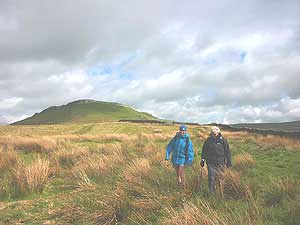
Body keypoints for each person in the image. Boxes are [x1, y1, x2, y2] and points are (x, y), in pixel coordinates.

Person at [200, 126, 232, 193]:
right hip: (210, 163)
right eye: (211, 134)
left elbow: (227, 151)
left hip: (220, 163)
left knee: (220, 178)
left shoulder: (223, 140)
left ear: (218, 133)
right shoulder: (208, 140)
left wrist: (229, 162)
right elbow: (204, 151)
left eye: (214, 134)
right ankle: (211, 193)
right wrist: (203, 159)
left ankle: (220, 191)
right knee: (211, 178)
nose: (213, 135)